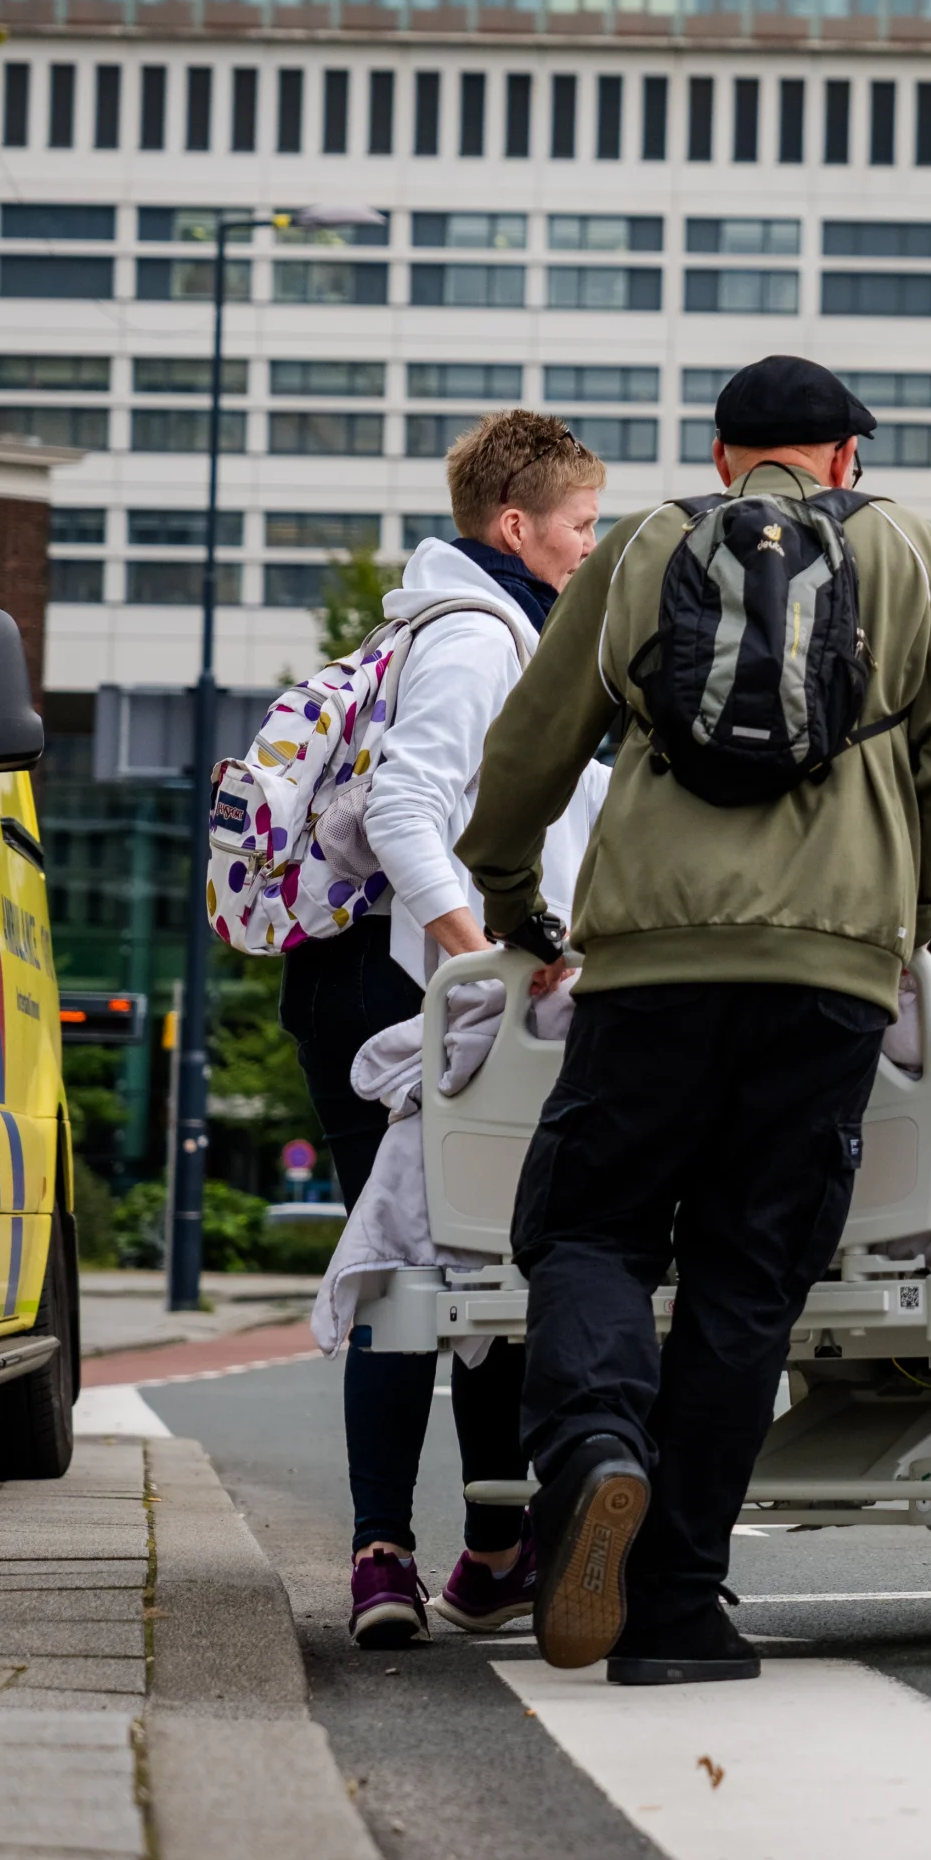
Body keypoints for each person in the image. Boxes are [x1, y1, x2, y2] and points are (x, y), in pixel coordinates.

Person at [461, 356, 931, 1686]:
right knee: (745, 1279)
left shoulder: (649, 545)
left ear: (722, 459)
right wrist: (918, 911)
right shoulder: (908, 551)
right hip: (829, 967)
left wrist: (515, 896)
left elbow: (533, 744)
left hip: (649, 958)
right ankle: (675, 1611)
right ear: (839, 459)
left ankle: (595, 1448)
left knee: (589, 1223)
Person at [281, 411, 607, 1646]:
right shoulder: (477, 640)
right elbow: (412, 807)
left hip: (373, 988)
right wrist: (479, 963)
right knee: (432, 1267)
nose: (591, 544)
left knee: (448, 1264)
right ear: (516, 525)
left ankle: (472, 1553)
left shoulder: (455, 625)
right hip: (409, 1000)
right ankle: (406, 1556)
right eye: (580, 524)